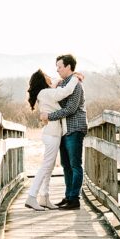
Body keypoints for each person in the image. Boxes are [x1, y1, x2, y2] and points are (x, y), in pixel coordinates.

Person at [23, 69, 78, 210]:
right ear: (43, 80)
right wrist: (75, 77)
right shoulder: (46, 93)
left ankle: (45, 197)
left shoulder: (45, 93)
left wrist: (59, 82)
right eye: (47, 75)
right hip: (52, 134)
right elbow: (66, 91)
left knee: (50, 166)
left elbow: (56, 87)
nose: (50, 77)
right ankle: (31, 196)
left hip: (52, 133)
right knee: (46, 165)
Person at [40, 53, 86, 210]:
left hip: (75, 128)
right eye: (57, 67)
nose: (57, 69)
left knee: (75, 164)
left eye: (60, 66)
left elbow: (70, 109)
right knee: (66, 165)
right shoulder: (62, 84)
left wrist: (49, 116)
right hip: (63, 130)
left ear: (68, 67)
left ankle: (75, 199)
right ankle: (68, 196)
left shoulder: (77, 85)